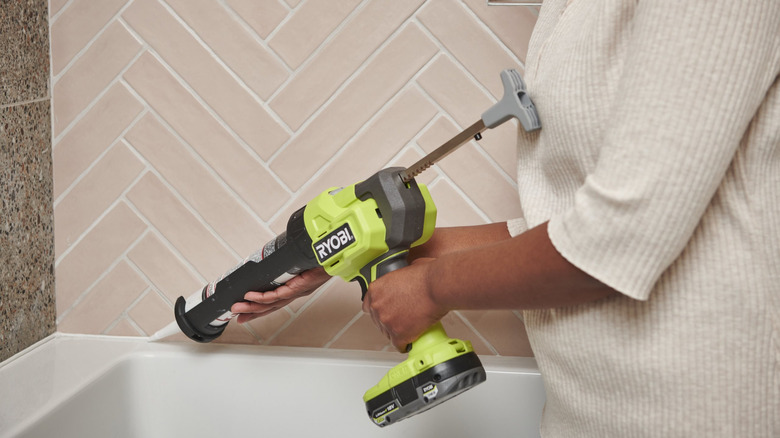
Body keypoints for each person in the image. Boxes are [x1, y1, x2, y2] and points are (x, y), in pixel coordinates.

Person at [233, 0, 780, 435]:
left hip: (693, 410)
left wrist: (428, 288)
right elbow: (564, 224)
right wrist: (353, 253)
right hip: (587, 412)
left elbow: (613, 238)